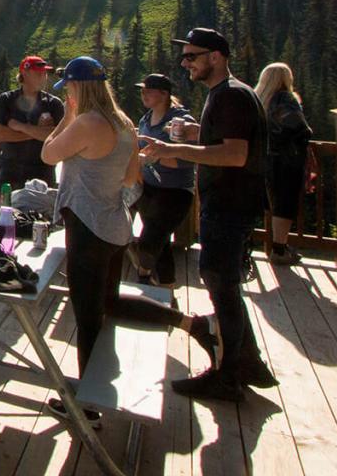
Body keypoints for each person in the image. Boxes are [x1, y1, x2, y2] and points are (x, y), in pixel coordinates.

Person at [138, 28, 277, 401]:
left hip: (230, 205)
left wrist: (175, 149)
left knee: (221, 286)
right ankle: (247, 363)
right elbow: (226, 140)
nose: (186, 63)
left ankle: (229, 375)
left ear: (216, 57)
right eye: (185, 57)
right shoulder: (227, 94)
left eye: (192, 56)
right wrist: (198, 133)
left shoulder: (231, 95)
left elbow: (235, 154)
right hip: (229, 204)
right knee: (222, 283)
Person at [39, 56, 146, 423]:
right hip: (116, 227)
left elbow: (48, 153)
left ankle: (87, 407)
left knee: (87, 318)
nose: (65, 93)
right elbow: (132, 179)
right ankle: (104, 387)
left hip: (87, 229)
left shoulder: (86, 122)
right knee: (106, 307)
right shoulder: (125, 123)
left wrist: (68, 118)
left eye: (67, 86)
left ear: (77, 88)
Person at [131, 73, 196, 285]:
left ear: (164, 94)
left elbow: (188, 160)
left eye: (148, 90)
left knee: (151, 239)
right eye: (142, 90)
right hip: (149, 188)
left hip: (175, 192)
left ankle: (143, 277)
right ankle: (167, 283)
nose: (144, 94)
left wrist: (154, 159)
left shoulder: (180, 120)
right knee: (160, 239)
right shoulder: (146, 119)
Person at [255, 62, 312, 265]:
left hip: (264, 159)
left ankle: (275, 247)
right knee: (284, 204)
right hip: (287, 159)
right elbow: (298, 127)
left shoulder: (259, 99)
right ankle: (279, 248)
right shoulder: (285, 99)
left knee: (270, 203)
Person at [0, 56, 66, 189]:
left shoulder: (54, 103)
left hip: (43, 171)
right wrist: (37, 131)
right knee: (8, 209)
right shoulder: (5, 100)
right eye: (38, 73)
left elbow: (56, 135)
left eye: (44, 74)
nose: (43, 77)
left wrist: (20, 127)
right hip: (10, 172)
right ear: (24, 74)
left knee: (43, 209)